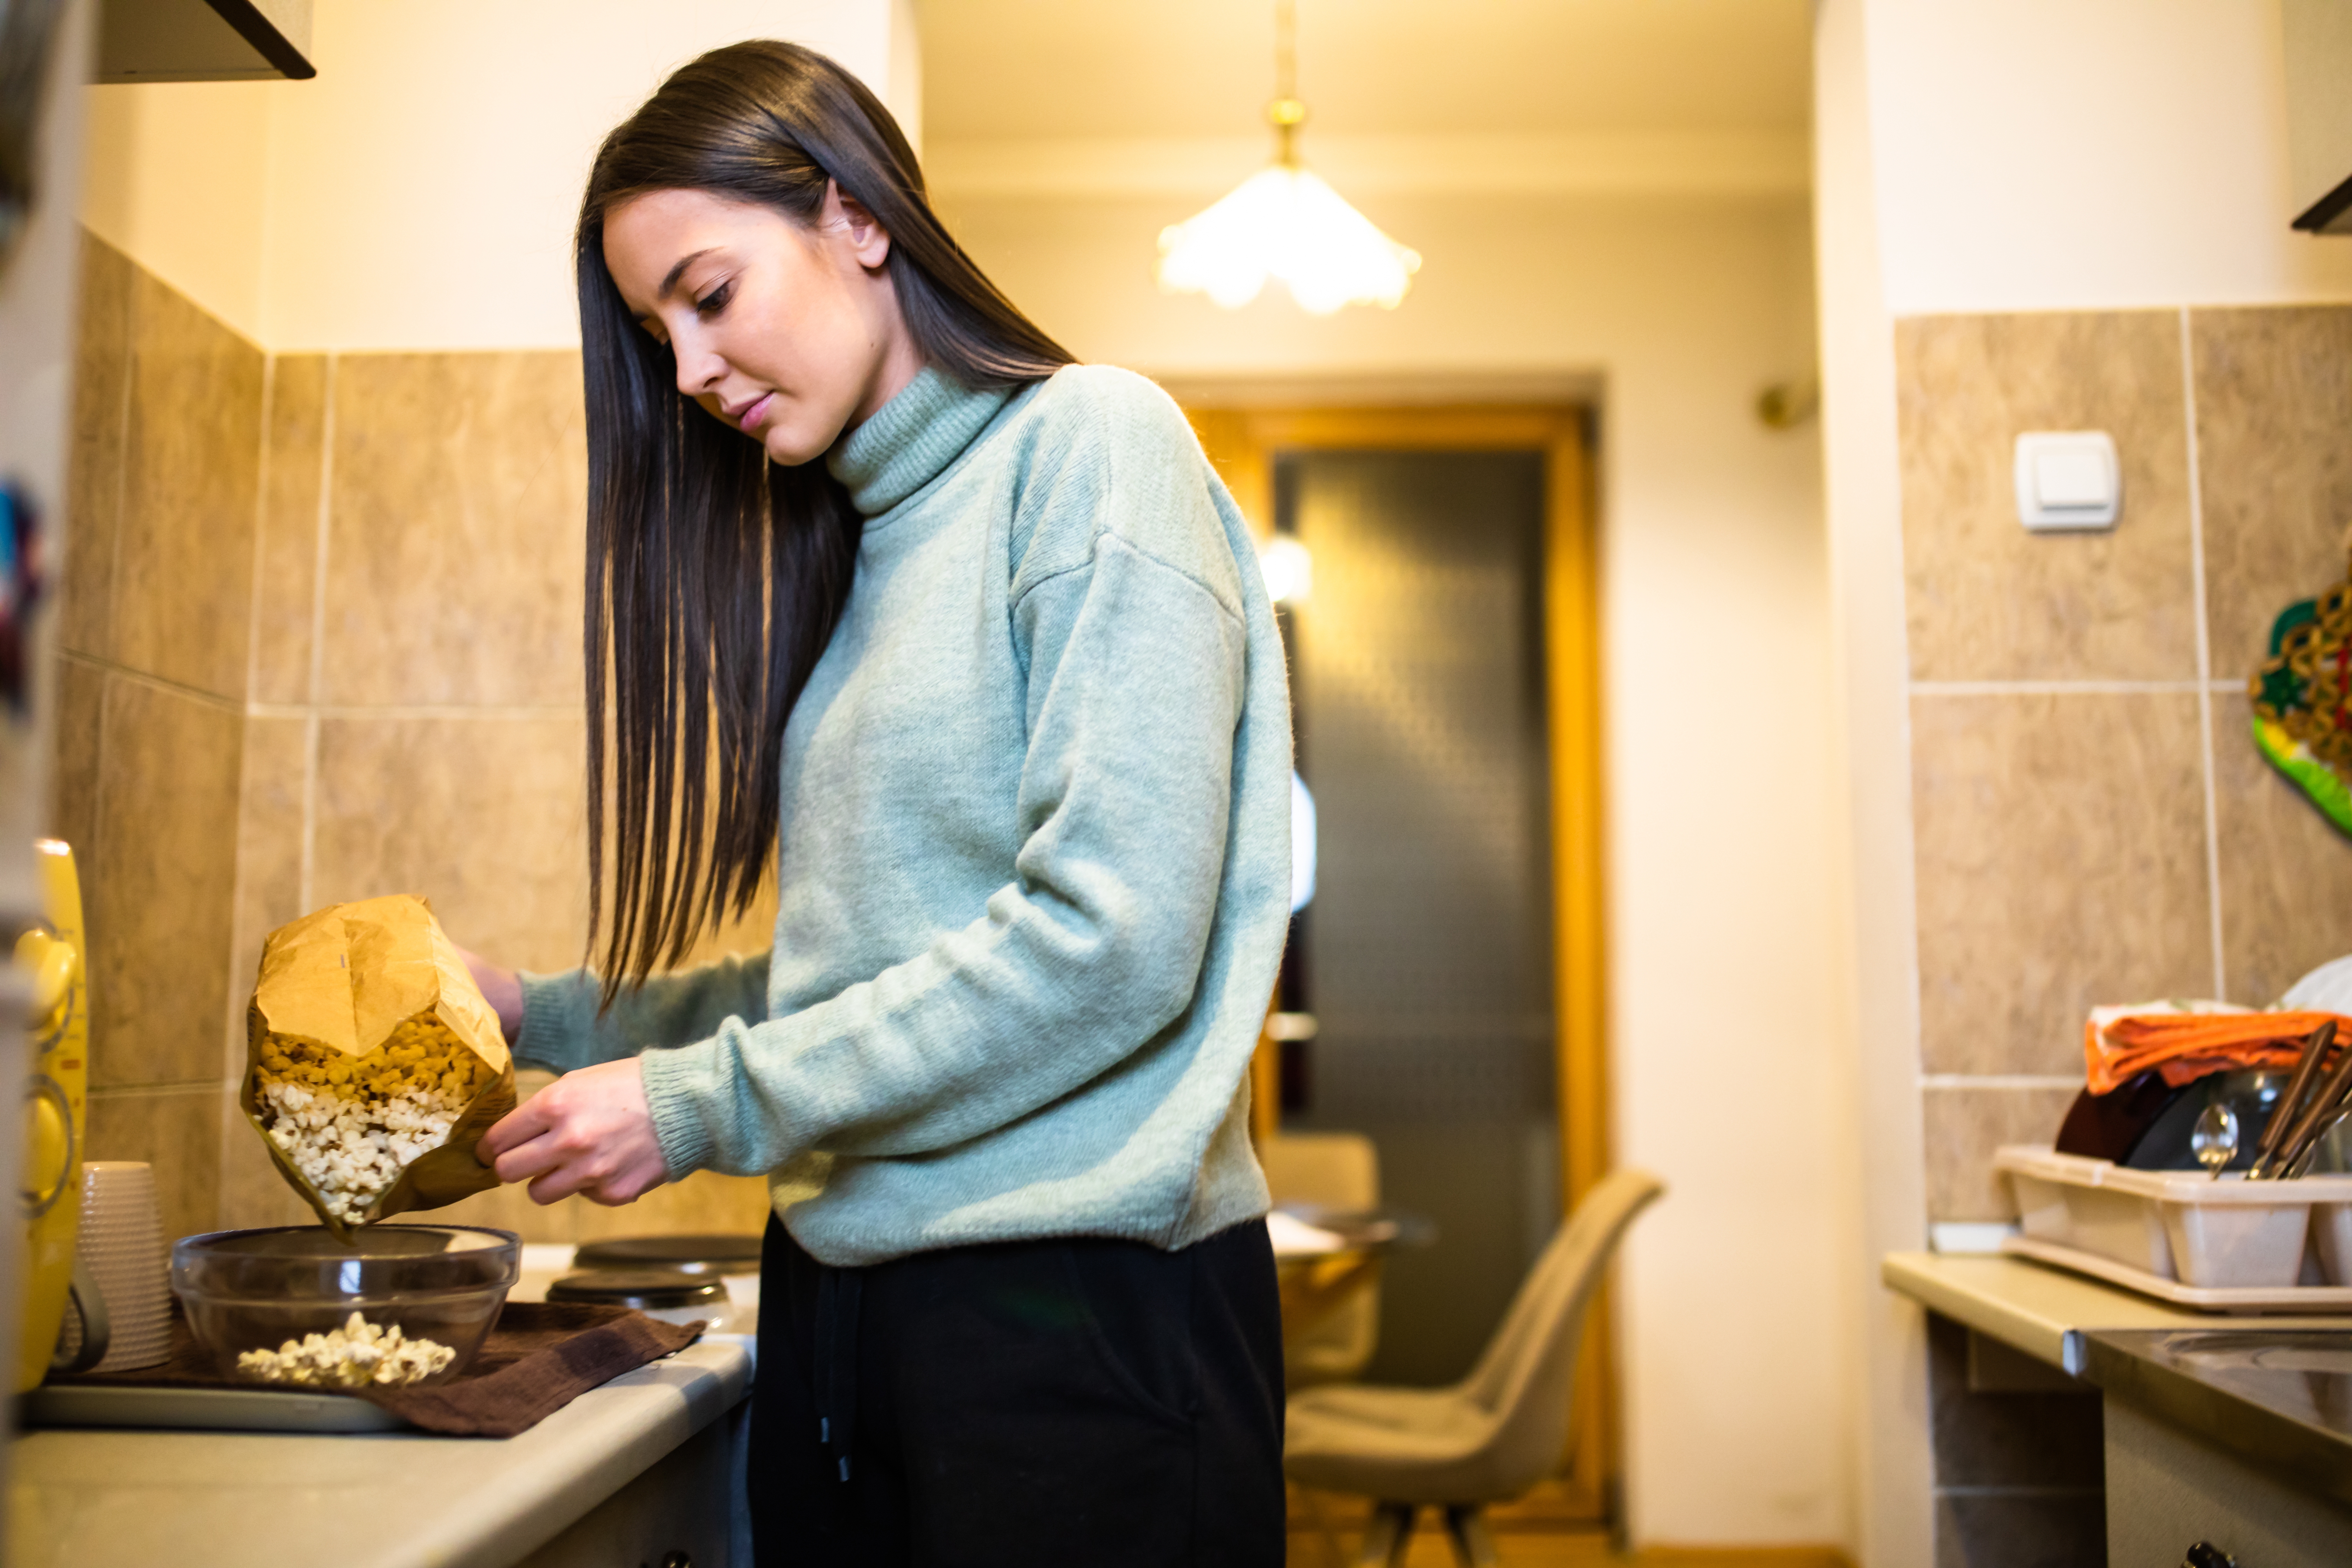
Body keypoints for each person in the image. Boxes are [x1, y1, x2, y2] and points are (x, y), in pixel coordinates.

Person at [456, 39, 1294, 1567]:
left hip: (1072, 1311)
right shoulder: (856, 549)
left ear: (855, 216)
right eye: (658, 335)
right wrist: (541, 1013)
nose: (691, 371)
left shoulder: (1092, 444)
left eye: (710, 296)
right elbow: (860, 977)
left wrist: (701, 1105)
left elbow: (1111, 943)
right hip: (843, 1305)